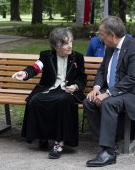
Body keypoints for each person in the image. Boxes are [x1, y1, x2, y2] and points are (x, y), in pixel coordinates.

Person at [83, 16, 135, 167]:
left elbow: (132, 79)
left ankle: (108, 153)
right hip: (117, 90)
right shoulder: (110, 47)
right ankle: (107, 141)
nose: (99, 37)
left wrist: (107, 93)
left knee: (108, 103)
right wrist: (96, 88)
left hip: (134, 94)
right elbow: (102, 70)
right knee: (89, 101)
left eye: (101, 34)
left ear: (112, 35)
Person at [12, 28, 86, 159]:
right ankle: (43, 137)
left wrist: (75, 86)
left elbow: (82, 77)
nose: (70, 46)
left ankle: (59, 143)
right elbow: (35, 67)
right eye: (66, 43)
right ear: (56, 46)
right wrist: (25, 73)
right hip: (49, 88)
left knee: (63, 101)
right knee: (35, 101)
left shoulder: (77, 57)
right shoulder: (47, 56)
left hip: (68, 91)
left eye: (71, 42)